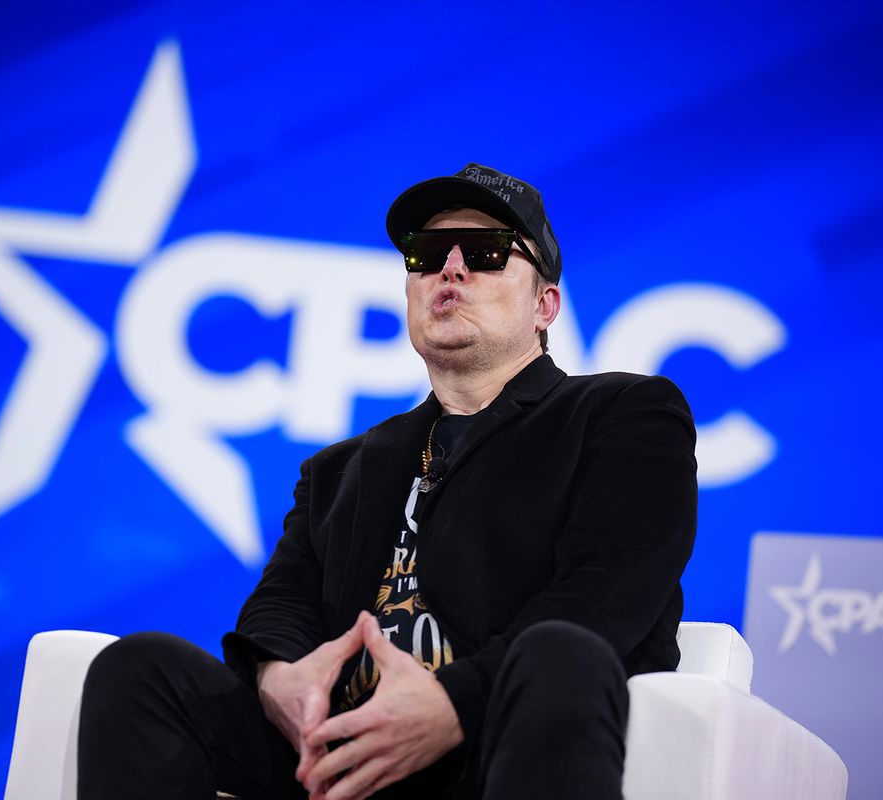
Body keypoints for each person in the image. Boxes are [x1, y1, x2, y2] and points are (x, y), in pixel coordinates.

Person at [78, 163, 697, 800]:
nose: (449, 269)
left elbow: (605, 596)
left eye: (485, 253)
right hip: (342, 748)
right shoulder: (342, 466)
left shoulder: (624, 413)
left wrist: (450, 705)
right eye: (428, 255)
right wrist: (280, 678)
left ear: (545, 304)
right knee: (142, 670)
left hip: (498, 740)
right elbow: (282, 601)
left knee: (560, 654)